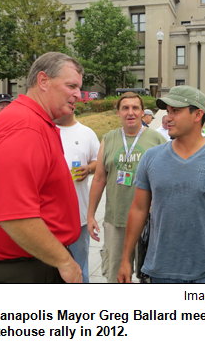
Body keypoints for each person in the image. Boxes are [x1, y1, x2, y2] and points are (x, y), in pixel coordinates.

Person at [117, 85, 205, 283]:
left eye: (176, 111)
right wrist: (126, 259)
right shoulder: (151, 158)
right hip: (160, 272)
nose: (168, 117)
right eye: (168, 111)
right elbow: (138, 209)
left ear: (198, 114)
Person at [0, 52, 84, 283]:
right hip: (27, 270)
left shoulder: (32, 122)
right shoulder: (25, 128)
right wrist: (64, 261)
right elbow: (14, 215)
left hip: (35, 263)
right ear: (43, 81)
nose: (78, 94)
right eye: (71, 86)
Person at [87, 92, 167, 283]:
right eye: (125, 108)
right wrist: (90, 215)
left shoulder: (157, 141)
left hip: (148, 222)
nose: (130, 112)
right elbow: (99, 179)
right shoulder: (109, 138)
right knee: (116, 277)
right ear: (118, 113)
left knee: (148, 278)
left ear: (142, 112)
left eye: (135, 108)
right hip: (116, 220)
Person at [55, 105, 100, 283]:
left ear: (74, 107)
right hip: (49, 217)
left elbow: (99, 159)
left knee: (80, 268)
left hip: (78, 216)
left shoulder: (86, 133)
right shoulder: (45, 130)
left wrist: (88, 168)